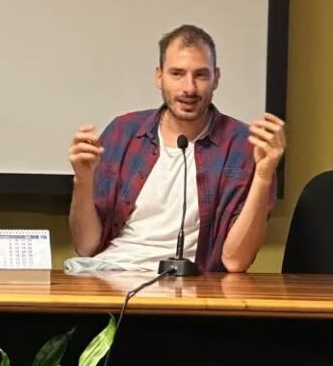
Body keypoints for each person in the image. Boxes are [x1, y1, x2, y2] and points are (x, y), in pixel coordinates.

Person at [67, 25, 286, 273]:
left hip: (186, 286)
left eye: (200, 75)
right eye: (177, 74)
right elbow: (85, 246)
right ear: (159, 77)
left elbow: (235, 261)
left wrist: (263, 176)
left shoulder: (243, 146)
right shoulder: (122, 132)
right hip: (110, 273)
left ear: (216, 78)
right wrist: (82, 180)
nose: (189, 88)